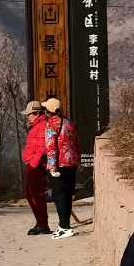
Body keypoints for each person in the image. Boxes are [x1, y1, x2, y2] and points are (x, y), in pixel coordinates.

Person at [41, 97, 80, 240]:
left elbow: (51, 146)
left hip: (59, 165)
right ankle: (64, 225)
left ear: (49, 111)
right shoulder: (69, 123)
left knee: (59, 196)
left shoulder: (51, 124)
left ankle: (64, 228)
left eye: (45, 110)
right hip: (71, 163)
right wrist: (78, 161)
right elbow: (76, 143)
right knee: (68, 195)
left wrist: (52, 167)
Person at [20, 101, 51, 236]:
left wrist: (33, 163)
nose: (28, 117)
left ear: (37, 113)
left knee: (36, 195)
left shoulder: (42, 126)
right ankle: (40, 223)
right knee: (30, 194)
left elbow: (43, 148)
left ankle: (43, 225)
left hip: (36, 166)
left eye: (29, 114)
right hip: (33, 165)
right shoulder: (36, 126)